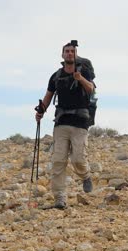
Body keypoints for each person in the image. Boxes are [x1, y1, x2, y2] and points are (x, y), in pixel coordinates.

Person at [35, 42, 95, 209]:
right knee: (58, 160)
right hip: (61, 122)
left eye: (72, 51)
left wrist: (80, 78)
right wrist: (41, 110)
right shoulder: (56, 76)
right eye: (67, 51)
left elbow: (91, 89)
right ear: (62, 55)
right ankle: (59, 198)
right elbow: (48, 96)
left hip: (80, 122)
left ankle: (86, 176)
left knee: (78, 158)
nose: (69, 54)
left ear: (76, 54)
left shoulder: (85, 71)